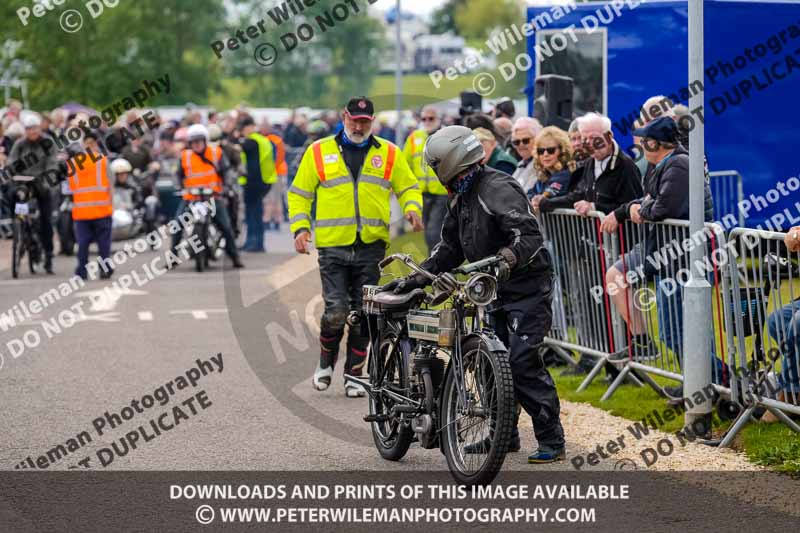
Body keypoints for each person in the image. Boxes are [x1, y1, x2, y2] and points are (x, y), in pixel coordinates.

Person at [385, 125, 565, 463]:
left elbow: (529, 235)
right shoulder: (462, 195)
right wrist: (414, 279)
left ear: (451, 161)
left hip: (527, 285)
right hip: (491, 288)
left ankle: (552, 439)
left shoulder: (498, 187)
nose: (435, 172)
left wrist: (505, 260)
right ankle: (502, 436)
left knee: (521, 359)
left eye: (436, 164)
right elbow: (450, 249)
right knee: (488, 360)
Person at [288, 96, 423, 397]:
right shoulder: (319, 151)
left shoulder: (388, 153)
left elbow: (408, 186)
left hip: (371, 246)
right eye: (355, 119)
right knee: (336, 311)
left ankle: (354, 374)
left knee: (365, 314)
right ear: (344, 117)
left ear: (372, 122)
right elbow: (299, 193)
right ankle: (326, 361)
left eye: (365, 121)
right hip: (333, 246)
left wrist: (413, 207)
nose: (359, 125)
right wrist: (300, 227)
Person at [605, 117, 719, 377]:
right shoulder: (664, 165)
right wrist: (627, 210)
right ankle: (696, 383)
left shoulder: (678, 164)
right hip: (672, 258)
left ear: (654, 143)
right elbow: (649, 201)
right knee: (676, 332)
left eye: (645, 140)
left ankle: (717, 383)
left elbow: (660, 208)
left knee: (680, 332)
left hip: (685, 258)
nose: (641, 145)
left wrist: (639, 210)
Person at [171, 124, 243, 268]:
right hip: (192, 198)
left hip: (213, 197)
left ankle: (235, 257)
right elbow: (177, 175)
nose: (196, 144)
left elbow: (227, 171)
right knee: (177, 225)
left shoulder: (216, 153)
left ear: (205, 140)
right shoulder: (185, 156)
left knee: (226, 226)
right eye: (193, 142)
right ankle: (172, 258)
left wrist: (227, 186)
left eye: (199, 141)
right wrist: (179, 187)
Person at [7, 113, 58, 273]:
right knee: (14, 200)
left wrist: (46, 181)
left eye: (34, 128)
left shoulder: (48, 143)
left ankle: (48, 255)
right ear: (25, 130)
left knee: (45, 220)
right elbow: (12, 161)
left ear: (39, 128)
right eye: (29, 129)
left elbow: (52, 165)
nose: (32, 132)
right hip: (23, 184)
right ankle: (19, 228)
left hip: (41, 186)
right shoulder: (20, 144)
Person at [402, 105, 447, 252]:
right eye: (424, 118)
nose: (427, 121)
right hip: (422, 193)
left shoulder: (446, 136)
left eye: (431, 118)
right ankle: (437, 262)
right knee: (428, 231)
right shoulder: (414, 138)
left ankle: (435, 264)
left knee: (434, 231)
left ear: (438, 119)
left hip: (442, 193)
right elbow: (404, 165)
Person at [69, 132, 113, 280]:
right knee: (103, 244)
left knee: (83, 244)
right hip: (102, 210)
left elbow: (70, 187)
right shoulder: (103, 161)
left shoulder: (74, 163)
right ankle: (105, 269)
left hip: (82, 213)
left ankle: (82, 271)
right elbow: (110, 185)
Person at [238, 117, 276, 252]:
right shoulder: (263, 140)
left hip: (253, 183)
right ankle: (257, 243)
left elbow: (252, 166)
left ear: (248, 127)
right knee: (257, 213)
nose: (242, 133)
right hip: (265, 181)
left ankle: (252, 243)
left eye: (242, 130)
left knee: (252, 214)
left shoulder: (251, 141)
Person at [529, 126, 574, 211]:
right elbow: (529, 194)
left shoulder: (565, 175)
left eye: (551, 150)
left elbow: (549, 195)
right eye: (541, 151)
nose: (545, 154)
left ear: (562, 151)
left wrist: (537, 200)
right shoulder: (543, 177)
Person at [510, 117, 543, 195]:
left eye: (526, 141)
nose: (521, 145)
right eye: (516, 142)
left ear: (537, 139)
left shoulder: (543, 164)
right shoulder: (521, 163)